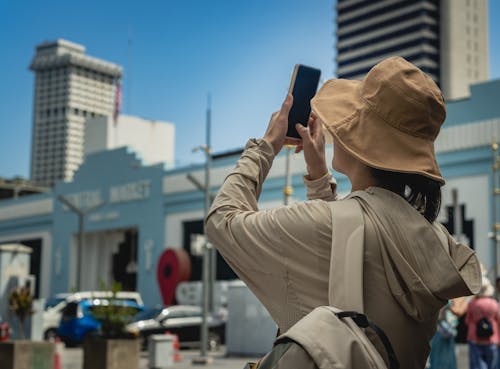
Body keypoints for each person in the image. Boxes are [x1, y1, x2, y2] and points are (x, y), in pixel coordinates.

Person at [205, 56, 481, 369]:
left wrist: (266, 145)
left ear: (359, 140)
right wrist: (319, 178)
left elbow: (222, 221)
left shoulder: (332, 224)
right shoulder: (434, 238)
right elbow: (346, 260)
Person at [465, 276, 499, 369]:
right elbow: (498, 320)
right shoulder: (494, 303)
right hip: (492, 339)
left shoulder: (472, 303)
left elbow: (467, 320)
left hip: (474, 338)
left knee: (477, 365)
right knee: (492, 365)